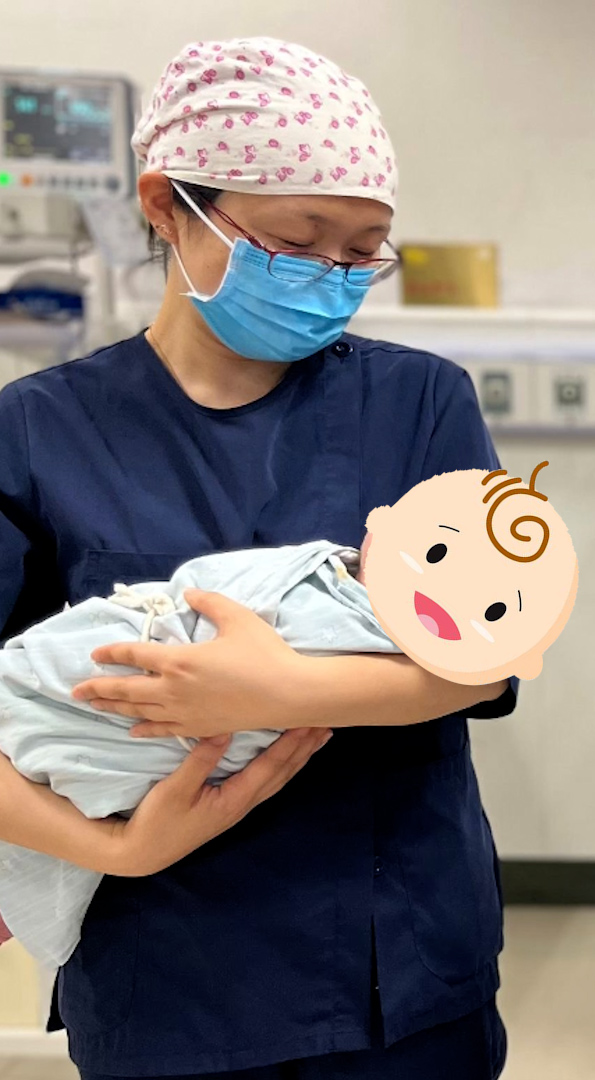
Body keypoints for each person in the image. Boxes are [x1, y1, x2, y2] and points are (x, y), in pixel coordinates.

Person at [0, 38, 514, 1078]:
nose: (331, 275)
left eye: (362, 250)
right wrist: (118, 849)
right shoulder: (38, 431)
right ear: (166, 205)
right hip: (164, 963)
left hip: (397, 962)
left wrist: (281, 688)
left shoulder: (420, 404)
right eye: (296, 240)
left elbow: (489, 661)